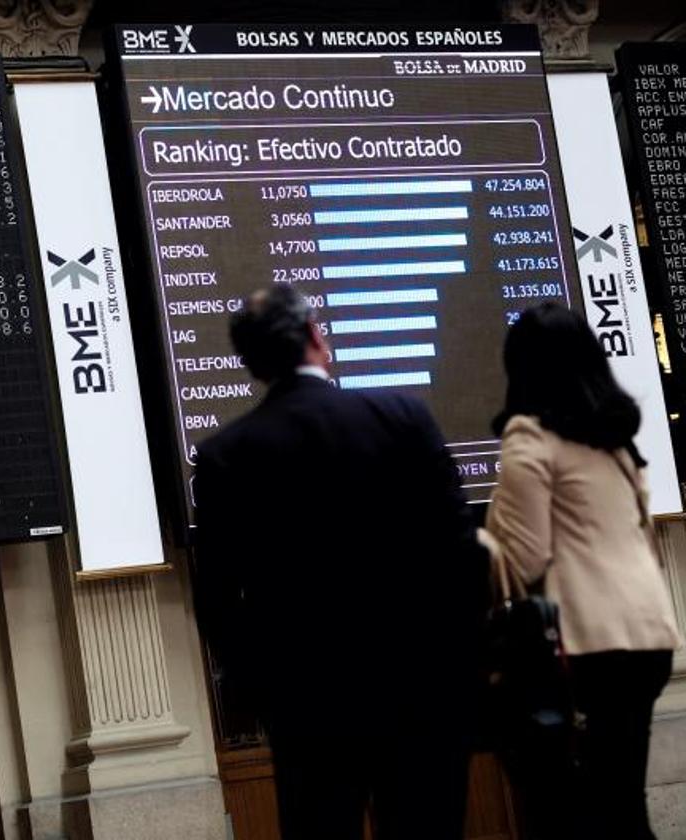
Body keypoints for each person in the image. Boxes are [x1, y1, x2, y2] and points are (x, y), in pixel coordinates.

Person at [192, 285, 486, 840]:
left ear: (250, 365)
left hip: (307, 706)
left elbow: (216, 600)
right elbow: (462, 555)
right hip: (419, 685)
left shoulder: (226, 455)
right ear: (315, 337)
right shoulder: (403, 417)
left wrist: (265, 692)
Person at [485, 303, 682, 840]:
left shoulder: (531, 439)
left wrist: (480, 536)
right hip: (647, 635)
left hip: (585, 645)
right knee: (623, 802)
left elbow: (521, 558)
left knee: (579, 809)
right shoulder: (615, 443)